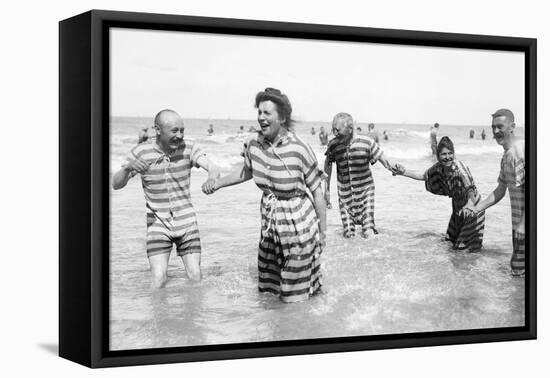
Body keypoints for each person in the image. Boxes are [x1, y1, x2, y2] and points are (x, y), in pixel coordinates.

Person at [202, 88, 326, 303]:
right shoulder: (253, 144)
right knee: (270, 291)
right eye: (259, 112)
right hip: (270, 223)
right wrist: (218, 183)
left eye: (267, 113)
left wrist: (322, 233)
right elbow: (246, 172)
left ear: (282, 117)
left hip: (298, 224)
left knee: (293, 293)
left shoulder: (299, 148)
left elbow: (317, 190)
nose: (261, 118)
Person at [112, 109, 220, 288]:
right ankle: (158, 315)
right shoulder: (141, 152)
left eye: (182, 130)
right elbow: (116, 184)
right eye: (175, 131)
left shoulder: (189, 148)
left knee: (195, 275)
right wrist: (127, 168)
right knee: (158, 278)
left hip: (187, 224)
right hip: (157, 225)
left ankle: (193, 315)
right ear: (158, 130)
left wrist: (211, 177)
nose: (180, 135)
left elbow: (212, 166)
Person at [394, 136, 485, 251]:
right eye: (443, 154)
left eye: (450, 153)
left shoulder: (459, 167)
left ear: (454, 153)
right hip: (457, 206)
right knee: (450, 242)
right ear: (438, 156)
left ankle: (475, 267)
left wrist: (471, 204)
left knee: (465, 248)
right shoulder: (438, 168)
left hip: (473, 205)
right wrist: (403, 172)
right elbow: (423, 176)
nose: (447, 157)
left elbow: (469, 186)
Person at [463, 109, 525, 275]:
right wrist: (476, 208)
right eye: (493, 127)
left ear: (512, 127)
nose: (496, 131)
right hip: (519, 225)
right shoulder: (506, 156)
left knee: (520, 272)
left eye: (500, 126)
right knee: (519, 272)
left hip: (527, 226)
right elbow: (500, 190)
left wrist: (524, 223)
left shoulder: (521, 151)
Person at [324, 112, 396, 238]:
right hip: (345, 196)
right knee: (348, 235)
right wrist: (327, 190)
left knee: (368, 231)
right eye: (333, 129)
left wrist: (394, 168)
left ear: (350, 129)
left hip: (365, 193)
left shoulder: (367, 142)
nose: (334, 133)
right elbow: (328, 165)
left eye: (337, 130)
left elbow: (383, 159)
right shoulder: (333, 145)